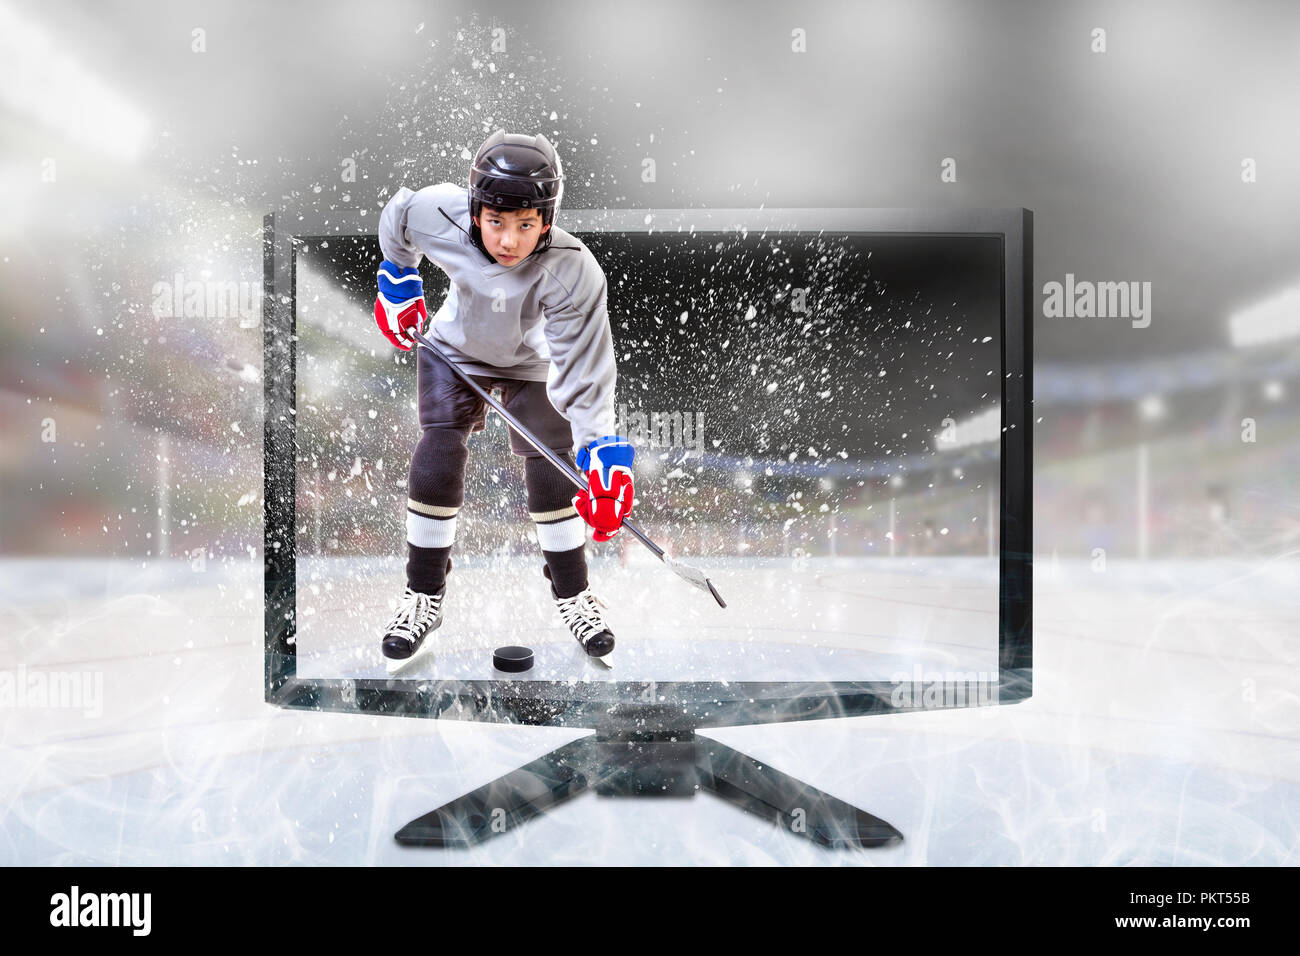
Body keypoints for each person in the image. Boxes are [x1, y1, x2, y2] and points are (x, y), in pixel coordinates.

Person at [373, 130, 634, 662]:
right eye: (495, 222)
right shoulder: (437, 213)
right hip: (454, 350)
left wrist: (601, 452)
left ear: (548, 218)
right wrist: (398, 278)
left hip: (531, 362)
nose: (509, 241)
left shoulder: (573, 271)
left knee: (550, 466)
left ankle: (575, 594)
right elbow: (398, 216)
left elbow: (584, 371)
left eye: (526, 225)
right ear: (475, 209)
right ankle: (423, 594)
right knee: (439, 450)